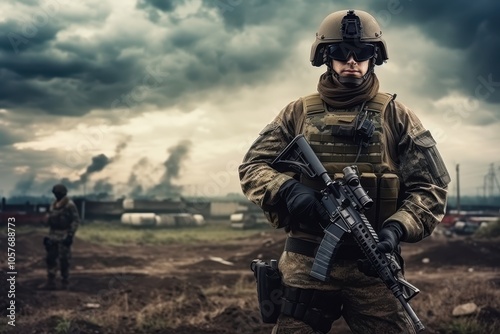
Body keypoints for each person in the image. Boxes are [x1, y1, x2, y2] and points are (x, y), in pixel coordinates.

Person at [239, 9, 450, 334]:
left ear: (374, 57)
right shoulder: (297, 112)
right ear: (326, 56)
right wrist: (288, 190)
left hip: (371, 267)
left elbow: (431, 189)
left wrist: (396, 228)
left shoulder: (397, 116)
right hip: (306, 259)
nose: (352, 60)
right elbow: (252, 167)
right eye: (341, 52)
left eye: (362, 52)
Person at [42, 183, 80, 290]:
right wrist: (47, 235)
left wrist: (70, 235)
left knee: (64, 260)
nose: (56, 195)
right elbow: (48, 220)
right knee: (50, 258)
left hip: (64, 235)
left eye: (58, 193)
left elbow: (75, 220)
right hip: (53, 234)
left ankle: (65, 282)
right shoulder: (53, 205)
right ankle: (51, 281)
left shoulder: (70, 205)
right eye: (55, 193)